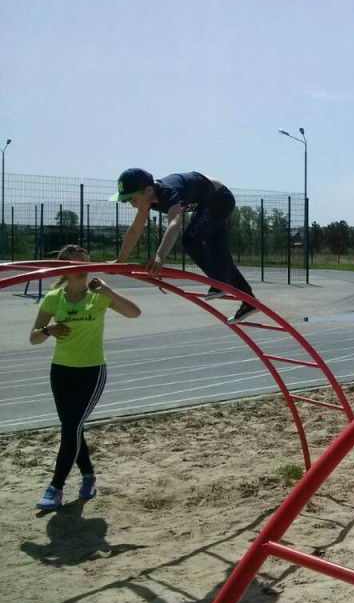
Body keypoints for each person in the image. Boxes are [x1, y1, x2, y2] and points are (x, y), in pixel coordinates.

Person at [30, 245, 142, 509]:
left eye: (84, 263)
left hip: (91, 371)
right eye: (74, 264)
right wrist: (48, 330)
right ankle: (88, 475)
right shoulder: (53, 298)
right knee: (72, 428)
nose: (81, 268)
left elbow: (134, 313)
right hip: (61, 370)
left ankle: (55, 487)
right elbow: (34, 338)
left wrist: (109, 291)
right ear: (63, 268)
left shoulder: (98, 296)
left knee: (71, 427)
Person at [109, 168, 257, 324]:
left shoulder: (167, 192)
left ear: (149, 190)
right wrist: (120, 260)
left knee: (190, 240)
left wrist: (160, 256)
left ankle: (219, 282)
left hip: (219, 199)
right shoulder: (147, 200)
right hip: (207, 203)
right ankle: (249, 302)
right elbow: (135, 229)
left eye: (132, 199)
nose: (132, 204)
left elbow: (175, 222)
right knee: (221, 256)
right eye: (127, 201)